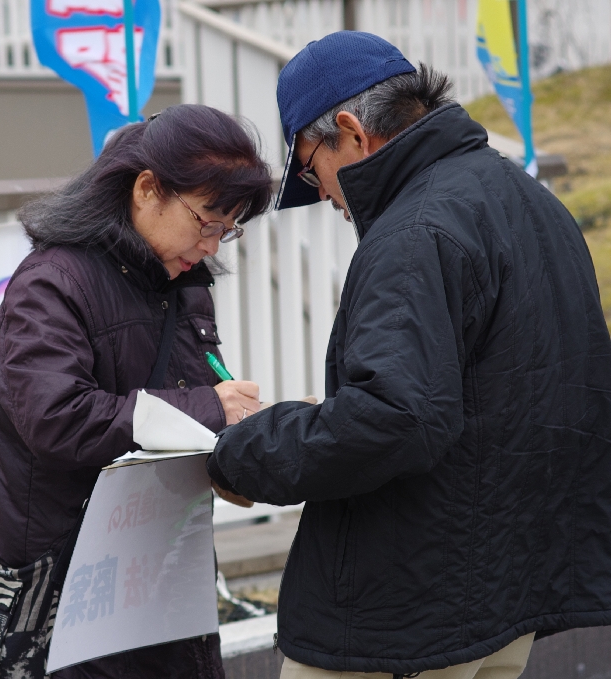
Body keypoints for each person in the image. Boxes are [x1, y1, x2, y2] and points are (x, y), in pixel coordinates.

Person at [206, 31, 611, 679]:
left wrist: (249, 448)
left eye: (312, 170)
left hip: (405, 612)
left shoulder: (415, 230)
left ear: (351, 131)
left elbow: (393, 418)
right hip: (514, 593)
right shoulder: (537, 205)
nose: (329, 199)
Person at [0, 104, 273, 679]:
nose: (215, 246)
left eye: (229, 228)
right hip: (63, 581)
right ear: (148, 189)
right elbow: (56, 417)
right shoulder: (52, 283)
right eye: (207, 222)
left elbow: (187, 413)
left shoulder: (185, 283)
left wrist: (239, 440)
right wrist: (208, 407)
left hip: (161, 572)